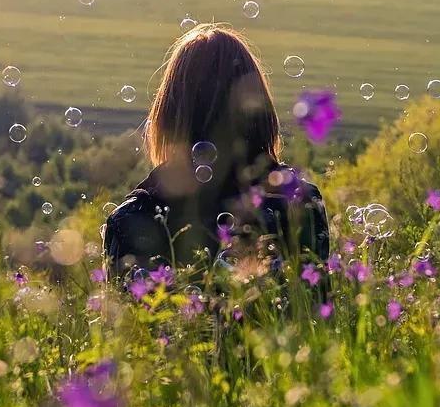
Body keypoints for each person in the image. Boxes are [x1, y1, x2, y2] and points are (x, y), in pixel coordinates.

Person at [103, 24, 329, 282]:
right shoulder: (299, 203)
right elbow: (316, 311)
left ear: (169, 112)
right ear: (258, 111)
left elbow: (123, 320)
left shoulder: (131, 218)